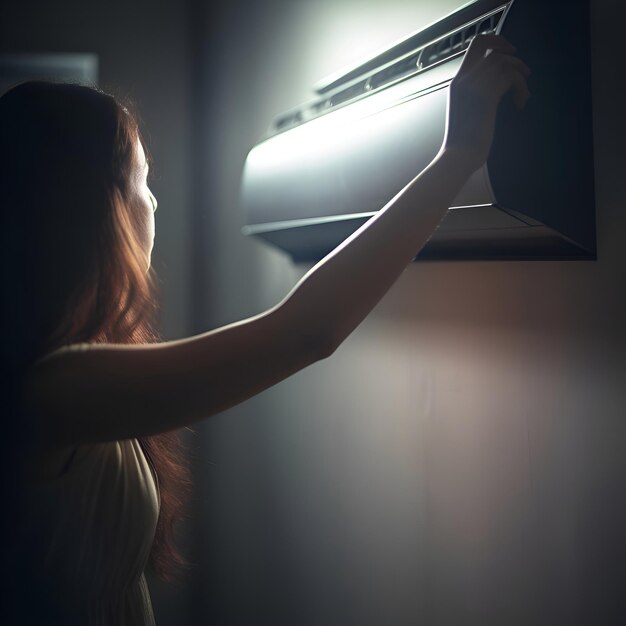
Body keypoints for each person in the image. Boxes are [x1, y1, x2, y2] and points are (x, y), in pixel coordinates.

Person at [0, 34, 529, 625]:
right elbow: (303, 332)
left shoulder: (66, 371)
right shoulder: (57, 386)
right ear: (95, 210)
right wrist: (456, 154)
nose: (155, 203)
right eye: (142, 181)